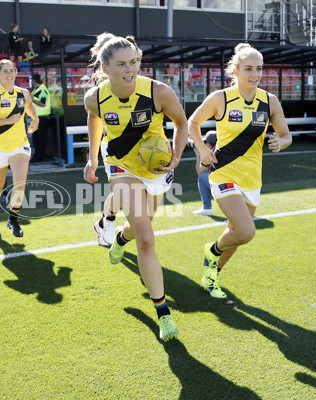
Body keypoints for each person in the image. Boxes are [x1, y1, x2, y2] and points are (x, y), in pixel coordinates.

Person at [83, 33, 188, 342]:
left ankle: (118, 237)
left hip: (155, 166)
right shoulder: (95, 98)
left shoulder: (158, 92)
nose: (130, 70)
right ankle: (163, 313)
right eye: (121, 65)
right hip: (120, 163)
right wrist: (91, 158)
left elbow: (182, 123)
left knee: (143, 223)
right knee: (146, 237)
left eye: (134, 62)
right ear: (105, 67)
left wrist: (177, 158)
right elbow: (95, 121)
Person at [188, 43, 292, 299]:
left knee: (236, 233)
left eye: (258, 69)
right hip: (223, 173)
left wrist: (282, 142)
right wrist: (202, 149)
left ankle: (211, 274)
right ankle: (211, 253)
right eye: (248, 69)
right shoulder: (220, 98)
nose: (254, 74)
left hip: (252, 179)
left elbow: (286, 134)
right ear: (235, 70)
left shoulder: (270, 101)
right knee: (246, 232)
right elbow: (193, 123)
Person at [0, 59, 39, 237]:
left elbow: (29, 105)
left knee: (20, 184)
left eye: (12, 70)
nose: (9, 74)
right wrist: (7, 120)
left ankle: (13, 219)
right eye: (5, 71)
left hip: (20, 145)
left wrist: (35, 118)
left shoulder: (23, 93)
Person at [192, 131, 217, 216]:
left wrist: (198, 155)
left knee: (202, 177)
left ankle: (206, 208)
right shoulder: (223, 149)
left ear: (209, 144)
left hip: (224, 186)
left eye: (205, 143)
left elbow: (200, 171)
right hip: (238, 185)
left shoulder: (210, 153)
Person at [30, 74, 51, 162]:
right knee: (36, 139)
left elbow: (43, 103)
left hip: (42, 118)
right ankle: (37, 156)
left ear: (34, 81)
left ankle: (39, 157)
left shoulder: (42, 89)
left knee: (40, 139)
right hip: (37, 118)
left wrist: (33, 100)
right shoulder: (36, 90)